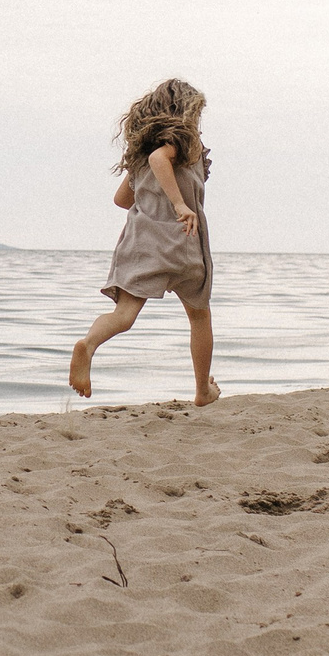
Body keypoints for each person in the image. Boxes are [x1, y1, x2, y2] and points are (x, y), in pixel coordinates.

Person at [68, 78, 219, 408]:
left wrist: (151, 198)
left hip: (142, 245)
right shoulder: (183, 144)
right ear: (186, 112)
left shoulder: (141, 157)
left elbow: (122, 199)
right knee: (199, 317)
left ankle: (89, 344)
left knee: (124, 315)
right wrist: (179, 204)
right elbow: (159, 161)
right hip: (184, 247)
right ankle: (202, 391)